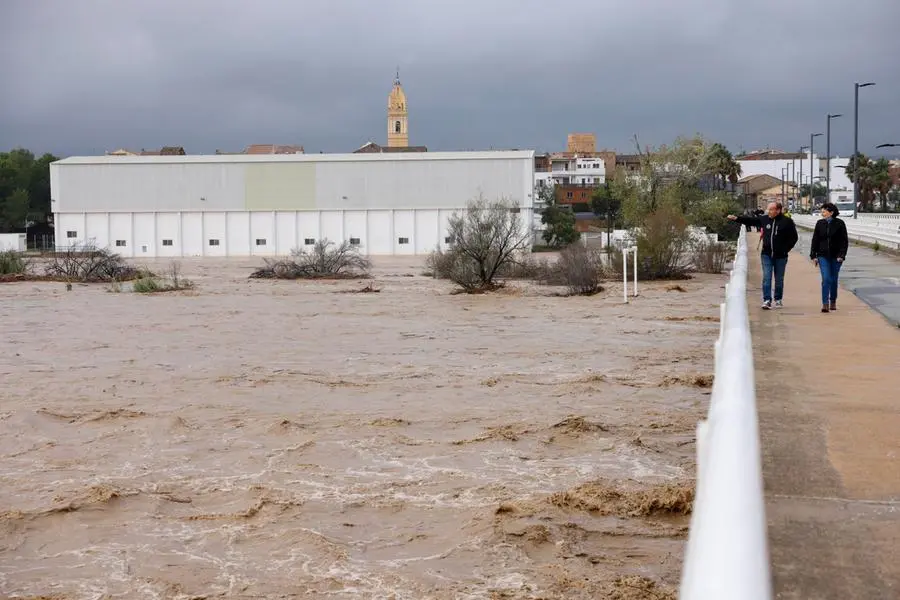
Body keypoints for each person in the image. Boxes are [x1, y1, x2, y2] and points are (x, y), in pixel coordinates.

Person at [727, 201, 799, 310]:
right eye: (768, 209)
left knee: (779, 279)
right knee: (767, 277)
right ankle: (767, 300)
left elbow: (794, 237)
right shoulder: (764, 219)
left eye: (770, 209)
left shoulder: (787, 222)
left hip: (781, 256)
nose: (768, 211)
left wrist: (785, 249)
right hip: (766, 254)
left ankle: (778, 299)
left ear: (778, 210)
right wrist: (737, 218)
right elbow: (750, 221)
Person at [810, 202, 849, 313]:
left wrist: (842, 255)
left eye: (824, 211)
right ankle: (825, 303)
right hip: (823, 256)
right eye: (822, 211)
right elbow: (815, 240)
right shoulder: (819, 223)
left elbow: (844, 241)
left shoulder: (840, 223)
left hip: (836, 257)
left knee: (833, 280)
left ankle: (833, 301)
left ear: (831, 212)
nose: (822, 213)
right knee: (826, 278)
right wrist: (813, 255)